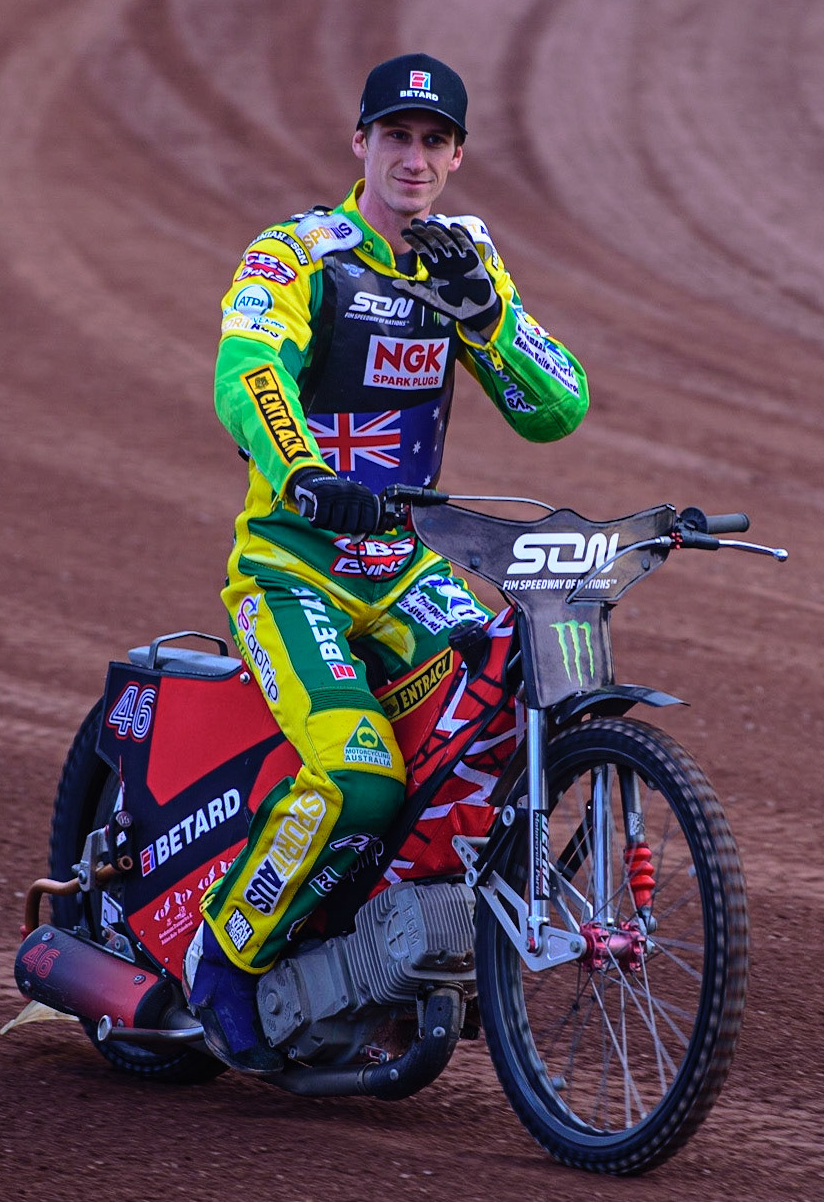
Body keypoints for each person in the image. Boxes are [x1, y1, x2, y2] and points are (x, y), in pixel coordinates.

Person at [186, 52, 589, 1073]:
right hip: (292, 564)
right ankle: (225, 956)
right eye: (397, 136)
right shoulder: (297, 251)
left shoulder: (464, 258)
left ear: (457, 157)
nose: (414, 157)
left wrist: (488, 318)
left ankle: (404, 935)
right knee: (361, 778)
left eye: (434, 140)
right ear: (359, 142)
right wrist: (302, 469)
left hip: (407, 567)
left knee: (505, 699)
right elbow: (247, 368)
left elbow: (558, 409)